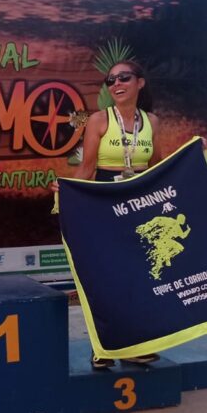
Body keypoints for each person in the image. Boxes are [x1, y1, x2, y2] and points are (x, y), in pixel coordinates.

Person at [50, 59, 165, 370]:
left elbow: (157, 166)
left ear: (140, 82)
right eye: (110, 80)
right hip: (103, 201)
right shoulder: (99, 120)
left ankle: (132, 345)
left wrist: (197, 150)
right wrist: (69, 193)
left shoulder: (151, 121)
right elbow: (86, 168)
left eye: (123, 77)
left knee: (136, 277)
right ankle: (102, 347)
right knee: (105, 277)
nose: (116, 84)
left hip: (138, 205)